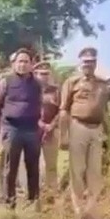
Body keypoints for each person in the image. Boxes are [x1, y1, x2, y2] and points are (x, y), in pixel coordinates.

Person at [60, 47, 109, 215]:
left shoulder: (103, 84)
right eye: (85, 62)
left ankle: (91, 207)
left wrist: (108, 133)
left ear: (96, 63)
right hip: (78, 126)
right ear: (80, 63)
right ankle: (78, 207)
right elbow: (64, 110)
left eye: (92, 61)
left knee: (95, 169)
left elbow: (106, 109)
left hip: (97, 128)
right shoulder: (72, 82)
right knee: (77, 168)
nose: (88, 65)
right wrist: (64, 135)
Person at [0, 48, 42, 208]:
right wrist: (2, 128)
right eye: (20, 61)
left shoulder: (37, 84)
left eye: (26, 61)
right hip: (12, 129)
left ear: (31, 64)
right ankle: (10, 201)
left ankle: (33, 200)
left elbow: (40, 104)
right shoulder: (5, 82)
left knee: (33, 166)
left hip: (31, 129)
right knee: (10, 167)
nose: (23, 64)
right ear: (14, 64)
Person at [34, 61, 60, 198]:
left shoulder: (56, 91)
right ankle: (34, 193)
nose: (44, 77)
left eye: (46, 74)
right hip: (34, 130)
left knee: (51, 164)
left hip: (51, 131)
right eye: (41, 74)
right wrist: (40, 124)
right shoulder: (30, 90)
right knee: (33, 164)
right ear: (35, 74)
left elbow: (62, 110)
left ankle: (52, 193)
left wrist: (52, 125)